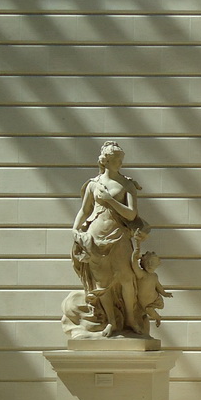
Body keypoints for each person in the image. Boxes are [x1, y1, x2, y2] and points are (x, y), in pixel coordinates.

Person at [66, 141, 149, 336]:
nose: (120, 162)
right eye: (117, 159)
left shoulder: (127, 184)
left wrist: (109, 200)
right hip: (96, 237)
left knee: (127, 279)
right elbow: (85, 210)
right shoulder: (93, 184)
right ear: (106, 161)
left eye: (121, 159)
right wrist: (75, 228)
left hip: (119, 235)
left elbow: (131, 215)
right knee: (102, 283)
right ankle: (111, 321)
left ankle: (130, 319)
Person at [136, 251, 173, 328]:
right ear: (143, 262)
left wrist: (165, 293)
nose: (150, 265)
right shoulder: (142, 274)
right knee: (140, 315)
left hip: (153, 300)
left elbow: (158, 286)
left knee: (149, 310)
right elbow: (134, 268)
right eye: (148, 262)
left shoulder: (154, 276)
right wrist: (133, 258)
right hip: (141, 302)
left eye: (152, 263)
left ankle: (158, 318)